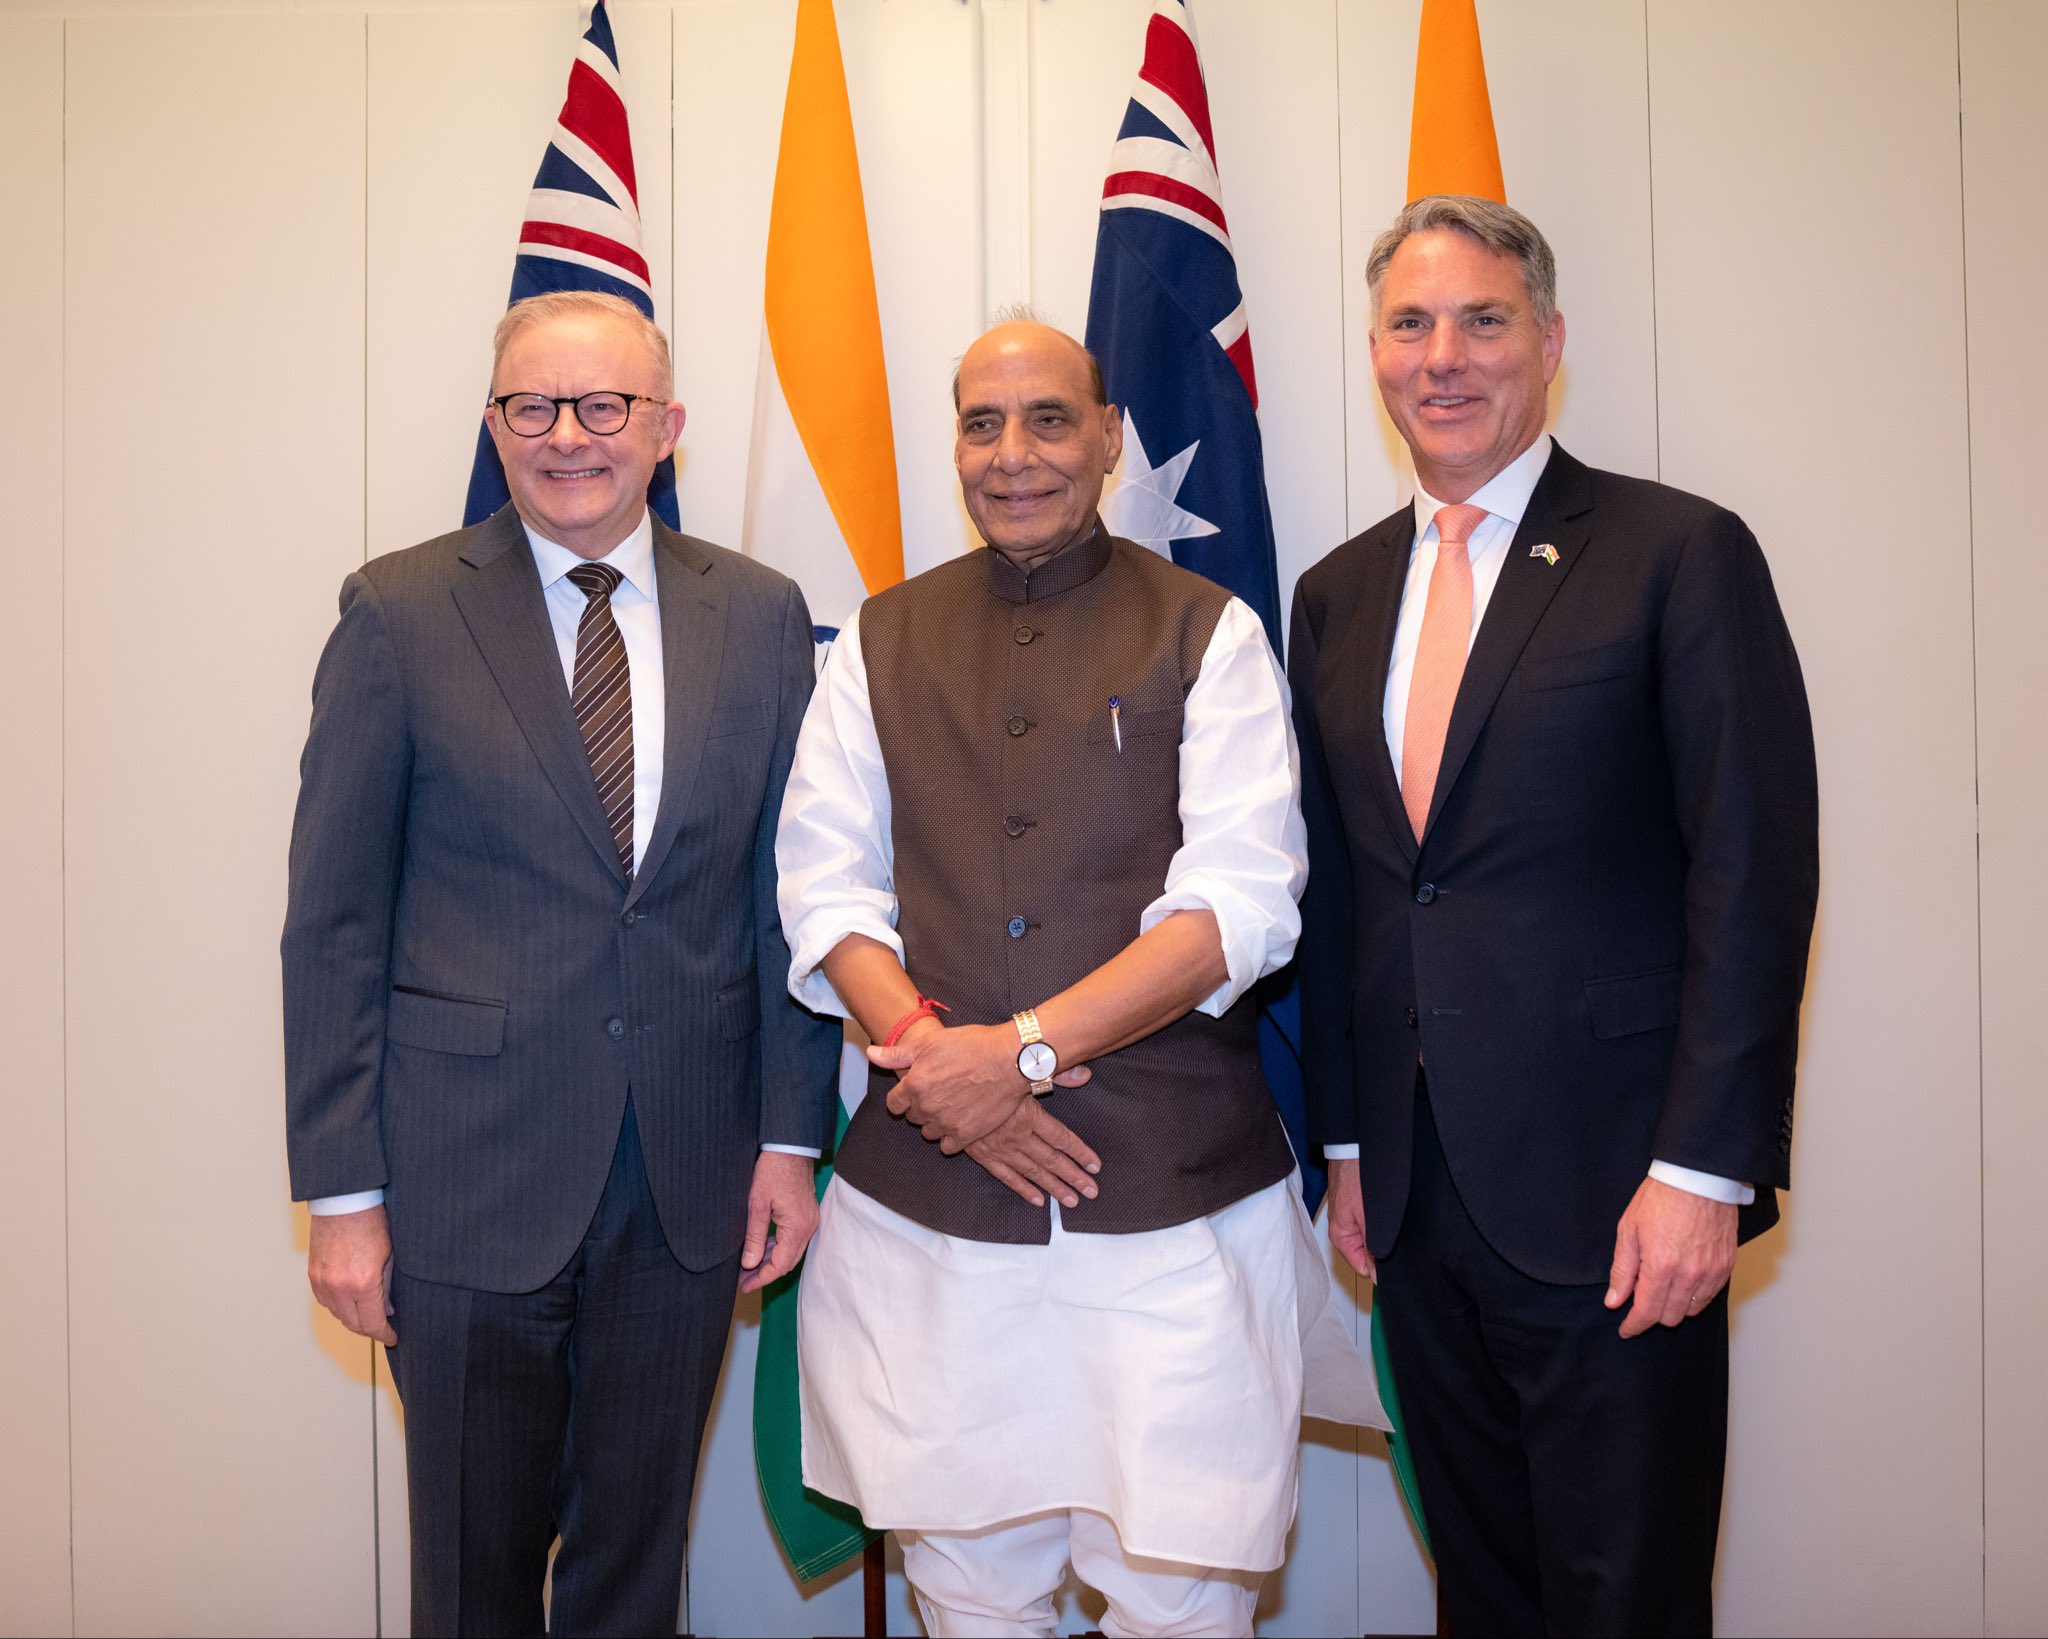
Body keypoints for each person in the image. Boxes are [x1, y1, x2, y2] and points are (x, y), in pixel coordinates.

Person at [776, 318, 1374, 1639]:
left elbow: (1237, 908)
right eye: (982, 424)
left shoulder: (1209, 631)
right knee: (968, 1595)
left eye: (1049, 419)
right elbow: (825, 890)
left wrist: (1017, 1056)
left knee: (1180, 1597)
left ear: (1107, 438)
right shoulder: (878, 639)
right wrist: (945, 1069)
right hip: (933, 1216)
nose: (1014, 454)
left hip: (1173, 1216)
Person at [1290, 194, 1819, 1636]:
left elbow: (1753, 874)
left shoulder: (1676, 552)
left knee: (1622, 1598)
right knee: (1486, 1593)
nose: (1443, 357)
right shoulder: (1338, 594)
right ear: (1375, 351)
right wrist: (1348, 1140)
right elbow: (1351, 885)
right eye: (1409, 324)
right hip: (1415, 1198)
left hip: (1621, 1194)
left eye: (1483, 320)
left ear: (1551, 340)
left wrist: (1705, 1170)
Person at [281, 290, 838, 1637]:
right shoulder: (399, 612)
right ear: (496, 425)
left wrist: (788, 1140)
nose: (568, 436)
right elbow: (334, 923)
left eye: (605, 405)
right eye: (532, 407)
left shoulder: (760, 616)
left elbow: (789, 902)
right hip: (463, 1182)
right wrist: (342, 1196)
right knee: (473, 1576)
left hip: (688, 1178)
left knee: (635, 1572)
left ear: (667, 428)